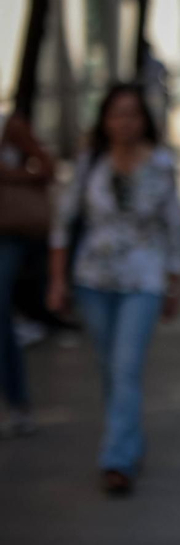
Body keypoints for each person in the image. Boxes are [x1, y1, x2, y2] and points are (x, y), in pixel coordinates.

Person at [47, 85, 180, 496]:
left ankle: (117, 459)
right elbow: (62, 222)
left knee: (126, 366)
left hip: (143, 278)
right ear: (105, 120)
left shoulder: (161, 164)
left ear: (144, 119)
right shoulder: (91, 162)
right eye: (116, 114)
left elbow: (173, 224)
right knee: (111, 368)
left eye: (132, 114)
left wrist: (175, 279)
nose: (124, 122)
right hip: (94, 279)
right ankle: (128, 439)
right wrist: (57, 280)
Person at [1, 111, 56, 437]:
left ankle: (17, 402)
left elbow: (46, 167)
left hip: (6, 233)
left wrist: (7, 175)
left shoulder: (10, 125)